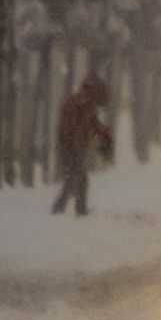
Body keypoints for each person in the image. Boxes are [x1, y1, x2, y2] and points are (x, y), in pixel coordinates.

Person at [50, 75, 114, 217]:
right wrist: (75, 142)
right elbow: (70, 127)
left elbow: (94, 123)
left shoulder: (88, 105)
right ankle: (59, 208)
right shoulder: (77, 103)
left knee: (81, 179)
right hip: (70, 147)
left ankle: (80, 209)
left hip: (75, 145)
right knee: (74, 177)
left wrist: (105, 133)